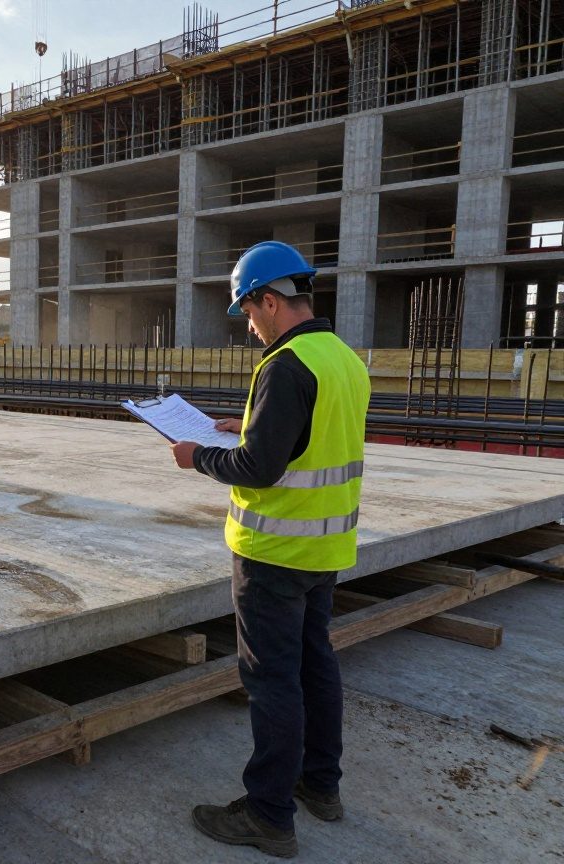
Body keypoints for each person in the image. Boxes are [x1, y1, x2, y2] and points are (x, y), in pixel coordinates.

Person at [171, 241, 371, 859]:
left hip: (274, 552)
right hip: (325, 550)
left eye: (249, 312)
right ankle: (321, 786)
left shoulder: (285, 366)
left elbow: (259, 469)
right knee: (316, 666)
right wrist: (253, 425)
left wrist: (198, 455)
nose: (250, 326)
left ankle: (267, 815)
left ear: (269, 300)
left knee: (272, 682)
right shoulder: (342, 358)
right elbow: (311, 437)